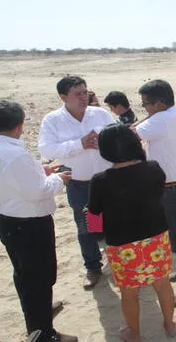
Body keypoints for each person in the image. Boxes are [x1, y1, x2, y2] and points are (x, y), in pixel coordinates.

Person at [0, 100, 77, 341]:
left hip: (7, 221)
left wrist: (40, 173)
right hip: (30, 224)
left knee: (24, 274)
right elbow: (39, 191)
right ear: (18, 126)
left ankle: (37, 315)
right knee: (40, 277)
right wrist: (58, 179)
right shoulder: (15, 155)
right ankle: (44, 333)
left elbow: (9, 181)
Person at [88, 124, 176, 341]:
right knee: (162, 282)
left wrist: (93, 221)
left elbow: (93, 216)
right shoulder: (154, 168)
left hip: (122, 244)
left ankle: (134, 333)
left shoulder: (100, 180)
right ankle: (170, 324)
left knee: (129, 291)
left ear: (105, 150)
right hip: (156, 236)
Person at [38, 76, 114, 289]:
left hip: (107, 179)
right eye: (77, 94)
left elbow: (119, 138)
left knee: (115, 221)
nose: (83, 97)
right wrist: (79, 144)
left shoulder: (100, 114)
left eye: (85, 92)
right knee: (85, 228)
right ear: (63, 97)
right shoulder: (53, 120)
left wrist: (105, 143)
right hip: (79, 183)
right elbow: (47, 150)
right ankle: (92, 266)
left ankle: (119, 261)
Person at [133, 79, 176, 307]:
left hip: (174, 187)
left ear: (160, 103)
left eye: (146, 105)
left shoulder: (161, 119)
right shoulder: (175, 113)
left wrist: (147, 118)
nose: (145, 109)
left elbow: (131, 134)